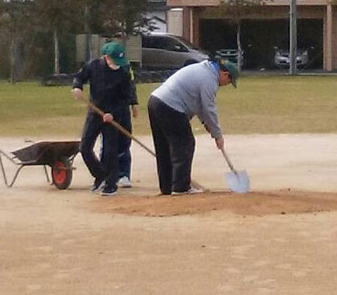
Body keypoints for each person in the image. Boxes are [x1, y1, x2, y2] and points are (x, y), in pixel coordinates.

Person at [147, 58, 238, 195]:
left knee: (164, 147)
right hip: (170, 106)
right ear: (224, 74)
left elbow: (199, 105)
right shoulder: (209, 79)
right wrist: (217, 135)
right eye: (229, 82)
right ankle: (180, 187)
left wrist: (206, 123)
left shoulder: (203, 70)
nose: (226, 85)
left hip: (155, 102)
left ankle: (167, 187)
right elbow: (209, 108)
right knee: (185, 144)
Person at [72, 41, 132, 197]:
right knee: (84, 147)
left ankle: (111, 184)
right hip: (94, 112)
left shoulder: (123, 73)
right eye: (113, 60)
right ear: (106, 57)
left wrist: (112, 113)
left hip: (112, 116)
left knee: (110, 150)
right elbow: (79, 77)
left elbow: (125, 98)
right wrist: (77, 87)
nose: (116, 64)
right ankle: (100, 175)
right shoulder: (93, 66)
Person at [100, 63, 138, 189]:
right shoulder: (100, 68)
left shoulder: (125, 66)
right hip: (106, 109)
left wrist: (134, 104)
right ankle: (105, 175)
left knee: (124, 141)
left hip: (122, 108)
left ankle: (123, 175)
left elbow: (131, 86)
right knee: (107, 144)